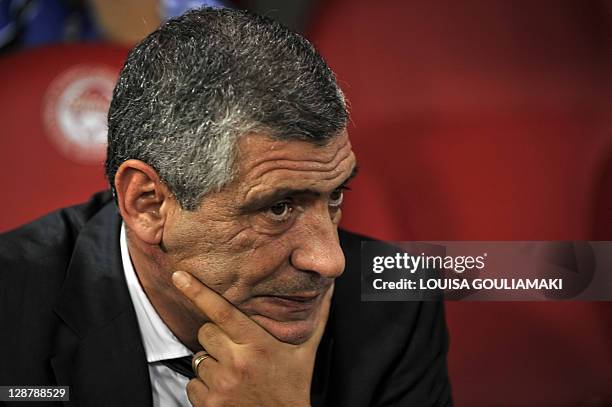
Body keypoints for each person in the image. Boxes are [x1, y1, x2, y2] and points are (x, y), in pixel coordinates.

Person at [0, 7, 452, 407]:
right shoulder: (11, 309)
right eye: (278, 208)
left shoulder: (396, 306)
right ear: (148, 205)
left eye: (333, 197)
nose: (328, 261)